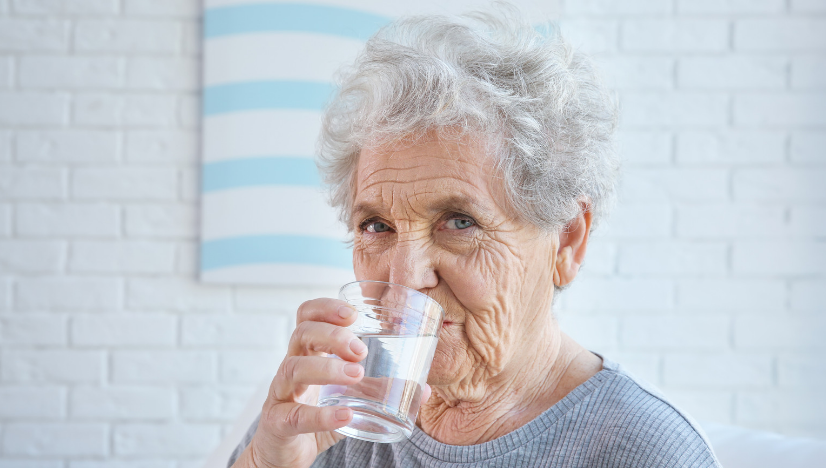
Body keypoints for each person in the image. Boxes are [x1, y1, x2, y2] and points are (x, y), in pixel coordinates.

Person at [228, 6, 721, 468]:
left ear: (567, 241)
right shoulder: (333, 412)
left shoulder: (647, 451)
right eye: (376, 226)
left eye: (459, 222)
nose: (404, 280)